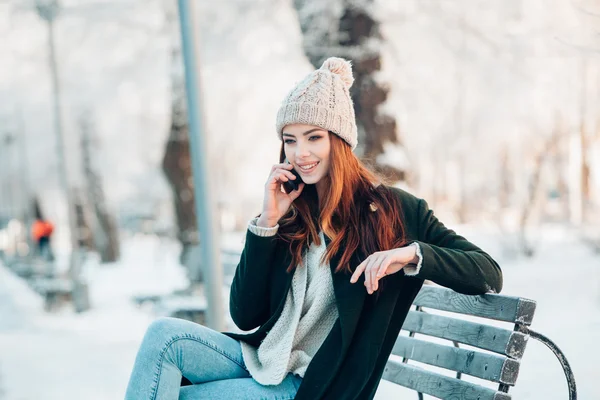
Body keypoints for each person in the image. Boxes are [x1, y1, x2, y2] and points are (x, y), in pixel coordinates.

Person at [124, 57, 503, 400]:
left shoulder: (393, 210)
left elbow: (488, 272)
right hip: (267, 361)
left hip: (314, 386)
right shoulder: (292, 211)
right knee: (164, 337)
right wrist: (267, 223)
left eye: (313, 137)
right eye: (290, 140)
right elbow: (245, 315)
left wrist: (409, 254)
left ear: (339, 141)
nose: (300, 153)